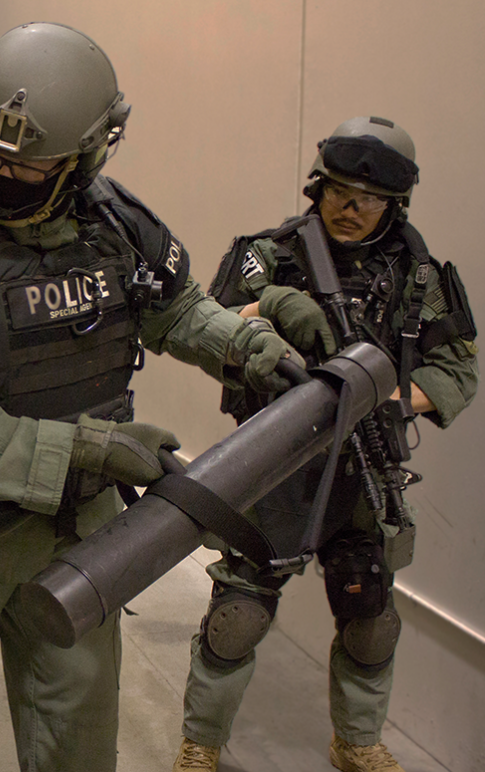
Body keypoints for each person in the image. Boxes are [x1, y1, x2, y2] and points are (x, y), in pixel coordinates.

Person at [0, 22, 300, 772]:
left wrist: (245, 346)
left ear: (88, 152)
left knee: (77, 744)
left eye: (32, 163)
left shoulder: (115, 222)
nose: (3, 174)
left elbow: (174, 309)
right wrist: (95, 448)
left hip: (74, 535)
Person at [173, 117, 478, 772]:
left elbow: (456, 373)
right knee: (238, 618)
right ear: (319, 185)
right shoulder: (268, 254)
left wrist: (387, 401)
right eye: (337, 190)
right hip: (272, 466)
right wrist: (275, 304)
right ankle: (200, 744)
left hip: (366, 469)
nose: (349, 207)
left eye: (366, 198)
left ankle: (357, 741)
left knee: (370, 623)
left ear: (395, 205)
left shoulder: (419, 277)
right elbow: (209, 326)